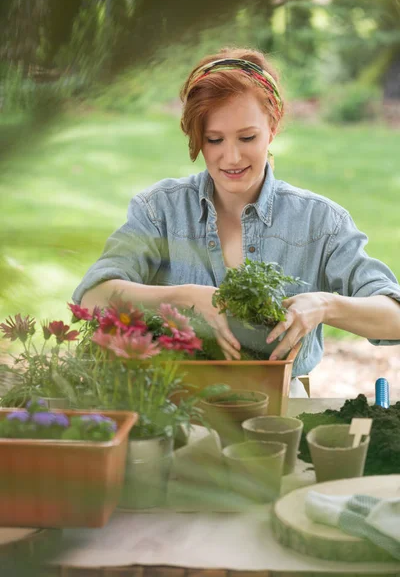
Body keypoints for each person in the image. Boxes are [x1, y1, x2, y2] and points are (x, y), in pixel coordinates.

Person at [72, 47, 400, 396]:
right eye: (214, 140)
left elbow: (393, 317)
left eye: (247, 138)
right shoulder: (160, 210)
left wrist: (324, 305)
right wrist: (185, 297)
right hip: (169, 401)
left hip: (275, 407)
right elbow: (92, 298)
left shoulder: (320, 221)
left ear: (272, 128)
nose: (231, 157)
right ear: (198, 137)